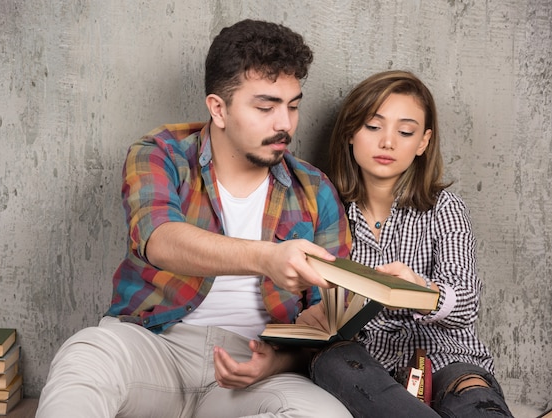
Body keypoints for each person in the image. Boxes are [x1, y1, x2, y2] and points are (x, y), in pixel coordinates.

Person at [36, 19, 353, 418]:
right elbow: (160, 240)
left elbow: (327, 323)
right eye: (266, 106)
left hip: (255, 368)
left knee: (326, 415)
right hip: (156, 347)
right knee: (84, 356)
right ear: (218, 108)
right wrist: (265, 258)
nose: (284, 124)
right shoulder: (159, 155)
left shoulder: (314, 189)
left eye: (292, 105)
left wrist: (278, 362)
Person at [304, 70, 514, 417]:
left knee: (474, 397)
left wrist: (423, 291)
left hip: (446, 356)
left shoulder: (445, 208)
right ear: (351, 133)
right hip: (363, 365)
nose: (388, 142)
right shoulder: (326, 210)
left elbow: (466, 304)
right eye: (373, 127)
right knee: (332, 361)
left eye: (405, 131)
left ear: (423, 142)